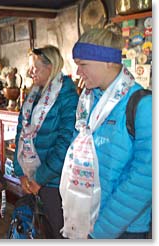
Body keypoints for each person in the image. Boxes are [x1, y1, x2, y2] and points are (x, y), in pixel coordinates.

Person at [59, 24, 152, 239]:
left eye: (83, 64)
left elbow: (144, 179)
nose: (78, 72)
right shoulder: (87, 103)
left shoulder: (142, 106)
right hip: (85, 220)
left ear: (109, 61)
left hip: (122, 229)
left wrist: (101, 231)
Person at [13, 45, 79, 239]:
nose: (29, 72)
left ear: (50, 67)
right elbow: (20, 134)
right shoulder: (33, 96)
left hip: (53, 182)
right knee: (40, 230)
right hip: (31, 178)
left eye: (34, 67)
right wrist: (21, 173)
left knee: (57, 231)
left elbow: (65, 144)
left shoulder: (67, 97)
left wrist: (39, 179)